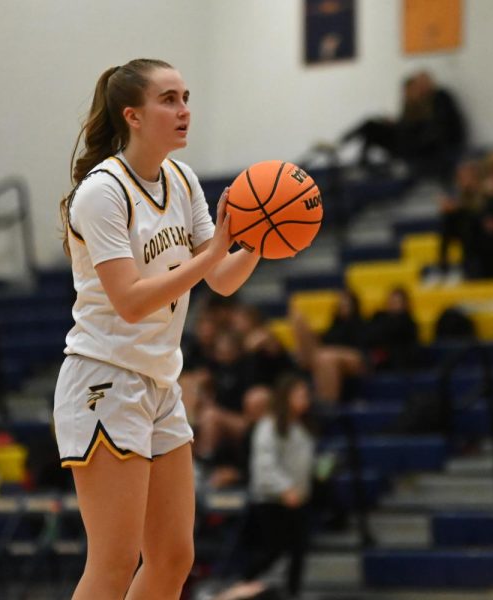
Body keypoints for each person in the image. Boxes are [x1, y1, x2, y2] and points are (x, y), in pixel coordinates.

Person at [54, 58, 260, 600]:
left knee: (172, 556)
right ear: (134, 116)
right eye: (168, 99)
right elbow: (129, 302)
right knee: (115, 560)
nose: (184, 109)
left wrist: (260, 240)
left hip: (160, 383)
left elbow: (220, 279)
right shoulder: (102, 192)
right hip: (104, 378)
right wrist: (214, 250)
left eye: (186, 97)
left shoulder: (182, 179)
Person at [244, 374, 316, 597]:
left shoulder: (301, 427)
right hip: (273, 500)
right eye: (300, 394)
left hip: (296, 499)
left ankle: (293, 593)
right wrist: (284, 488)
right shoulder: (269, 425)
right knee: (273, 550)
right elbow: (264, 464)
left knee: (298, 552)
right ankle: (242, 584)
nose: (306, 399)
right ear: (286, 397)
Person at [291, 289, 367, 403]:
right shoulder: (334, 325)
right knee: (298, 320)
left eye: (346, 303)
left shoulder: (359, 323)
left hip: (356, 357)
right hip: (326, 354)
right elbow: (324, 341)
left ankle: (328, 404)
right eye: (340, 303)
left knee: (325, 357)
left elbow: (362, 344)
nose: (342, 306)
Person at [428, 155, 486, 285]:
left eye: (466, 175)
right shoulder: (458, 192)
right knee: (448, 220)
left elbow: (480, 210)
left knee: (465, 222)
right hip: (462, 231)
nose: (464, 178)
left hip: (480, 231)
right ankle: (443, 267)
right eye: (461, 175)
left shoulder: (483, 189)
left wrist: (459, 205)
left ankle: (465, 268)